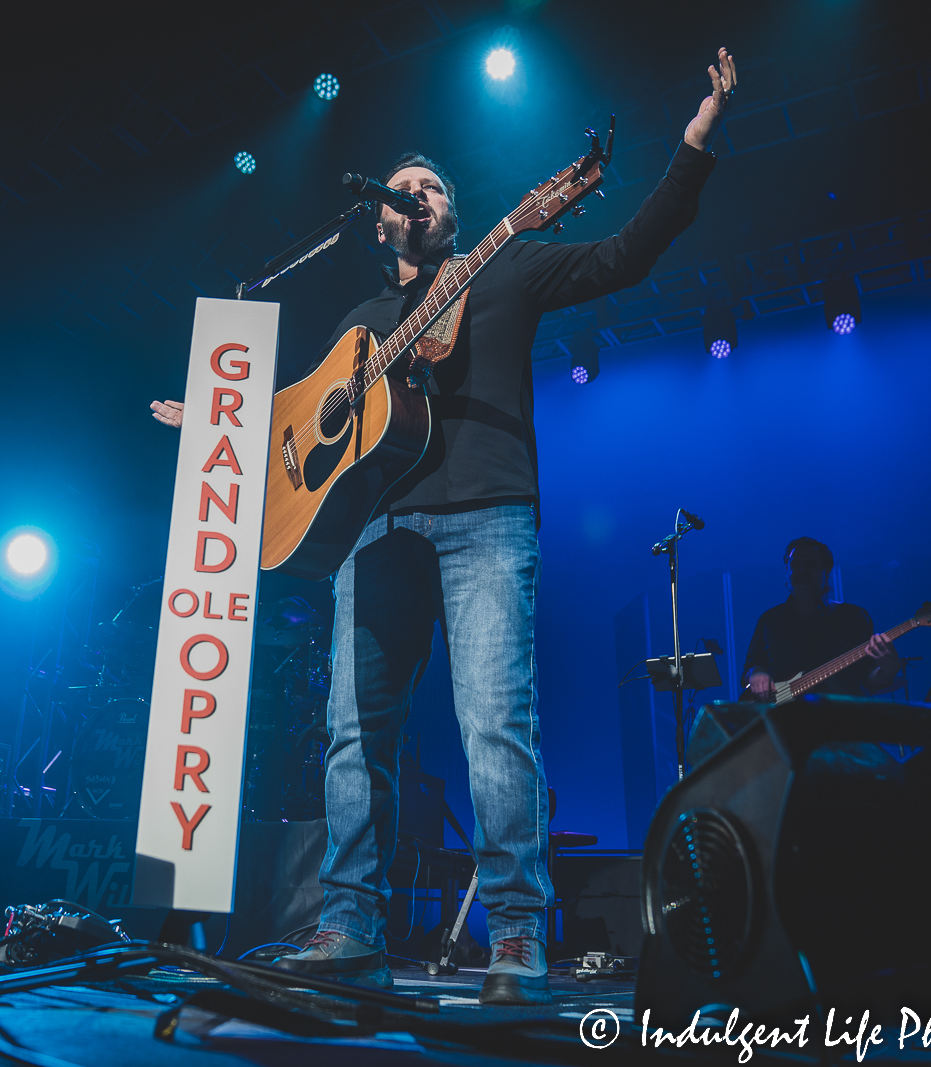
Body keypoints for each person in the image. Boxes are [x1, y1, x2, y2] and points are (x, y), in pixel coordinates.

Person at [153, 49, 737, 1005]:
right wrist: (219, 421)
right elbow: (302, 414)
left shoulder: (507, 271)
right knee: (353, 735)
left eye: (434, 186)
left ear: (454, 215)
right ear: (382, 219)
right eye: (405, 188)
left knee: (496, 724)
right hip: (373, 530)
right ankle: (348, 926)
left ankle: (515, 936)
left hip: (486, 520)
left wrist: (695, 140)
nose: (417, 194)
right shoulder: (360, 322)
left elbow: (630, 253)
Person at [742, 537, 902, 700]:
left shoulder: (854, 617)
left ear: (826, 570)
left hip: (843, 717)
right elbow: (749, 668)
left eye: (810, 564)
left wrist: (888, 669)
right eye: (796, 564)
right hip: (783, 719)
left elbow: (869, 676)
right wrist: (756, 672)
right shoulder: (770, 620)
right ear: (787, 570)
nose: (802, 571)